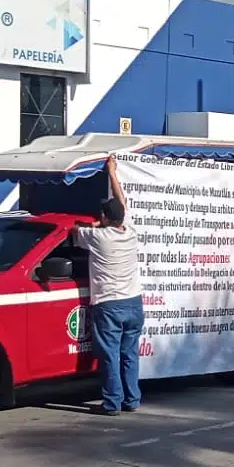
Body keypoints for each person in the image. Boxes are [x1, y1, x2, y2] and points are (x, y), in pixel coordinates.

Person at [73, 157, 144, 416]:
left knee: (110, 355)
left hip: (109, 305)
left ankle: (112, 402)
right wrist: (113, 174)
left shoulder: (97, 236)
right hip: (134, 303)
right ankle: (132, 399)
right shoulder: (131, 232)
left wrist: (91, 224)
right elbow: (122, 203)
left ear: (103, 218)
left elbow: (73, 231)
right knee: (129, 354)